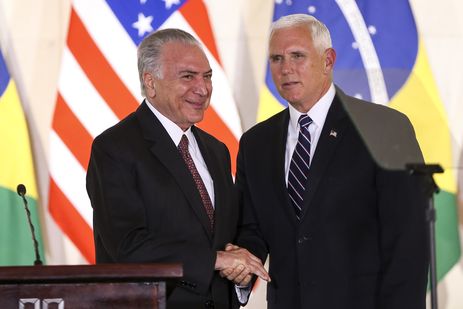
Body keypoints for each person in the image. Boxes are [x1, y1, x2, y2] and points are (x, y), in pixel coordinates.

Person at [226, 14, 429, 309]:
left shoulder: (384, 128)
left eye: (298, 55)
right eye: (277, 58)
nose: (286, 69)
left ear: (328, 60)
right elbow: (252, 229)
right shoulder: (256, 143)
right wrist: (242, 268)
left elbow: (408, 242)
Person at [86, 28, 269, 309]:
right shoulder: (114, 148)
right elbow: (129, 246)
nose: (203, 88)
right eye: (188, 76)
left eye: (207, 76)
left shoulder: (216, 150)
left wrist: (241, 269)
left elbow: (231, 235)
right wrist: (217, 260)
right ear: (151, 82)